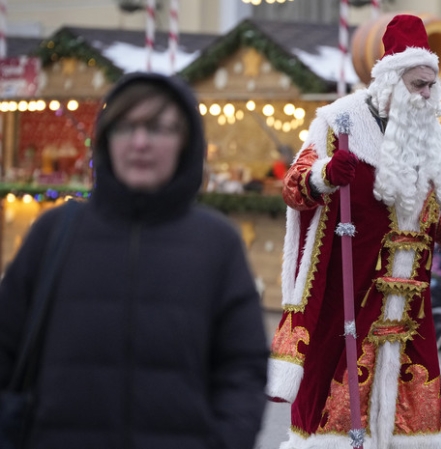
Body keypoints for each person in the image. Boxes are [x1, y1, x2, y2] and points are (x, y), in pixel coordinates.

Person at [0, 72, 269, 449]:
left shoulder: (216, 243)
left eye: (159, 128)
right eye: (126, 127)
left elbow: (242, 368)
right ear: (106, 140)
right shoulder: (55, 233)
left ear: (186, 142)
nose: (140, 143)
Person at [266, 14, 441, 449]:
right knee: (337, 395)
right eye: (419, 84)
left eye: (432, 84)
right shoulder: (340, 123)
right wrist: (325, 175)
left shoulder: (429, 134)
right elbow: (295, 187)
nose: (428, 93)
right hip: (350, 290)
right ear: (391, 82)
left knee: (412, 406)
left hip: (410, 300)